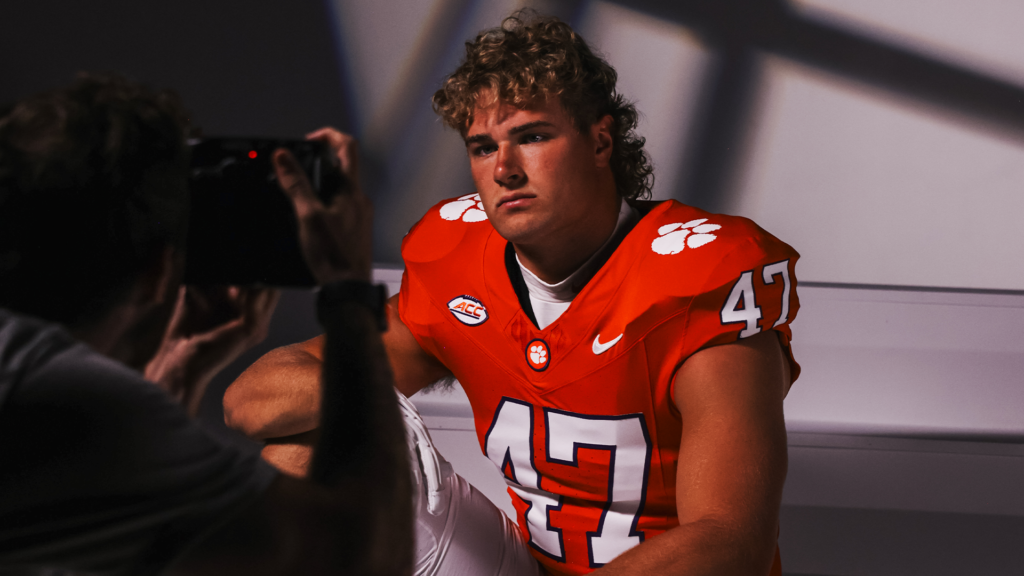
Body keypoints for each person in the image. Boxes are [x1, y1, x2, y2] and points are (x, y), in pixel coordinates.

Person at [225, 11, 800, 576]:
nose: (504, 169)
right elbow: (250, 402)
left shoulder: (702, 272)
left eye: (532, 137)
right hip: (526, 565)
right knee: (307, 455)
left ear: (600, 141)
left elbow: (731, 542)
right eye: (482, 147)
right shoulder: (459, 259)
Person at [0, 74, 412, 575]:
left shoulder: (31, 376)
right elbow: (362, 554)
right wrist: (349, 293)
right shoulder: (67, 399)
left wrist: (180, 374)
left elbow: (111, 505)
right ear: (158, 275)